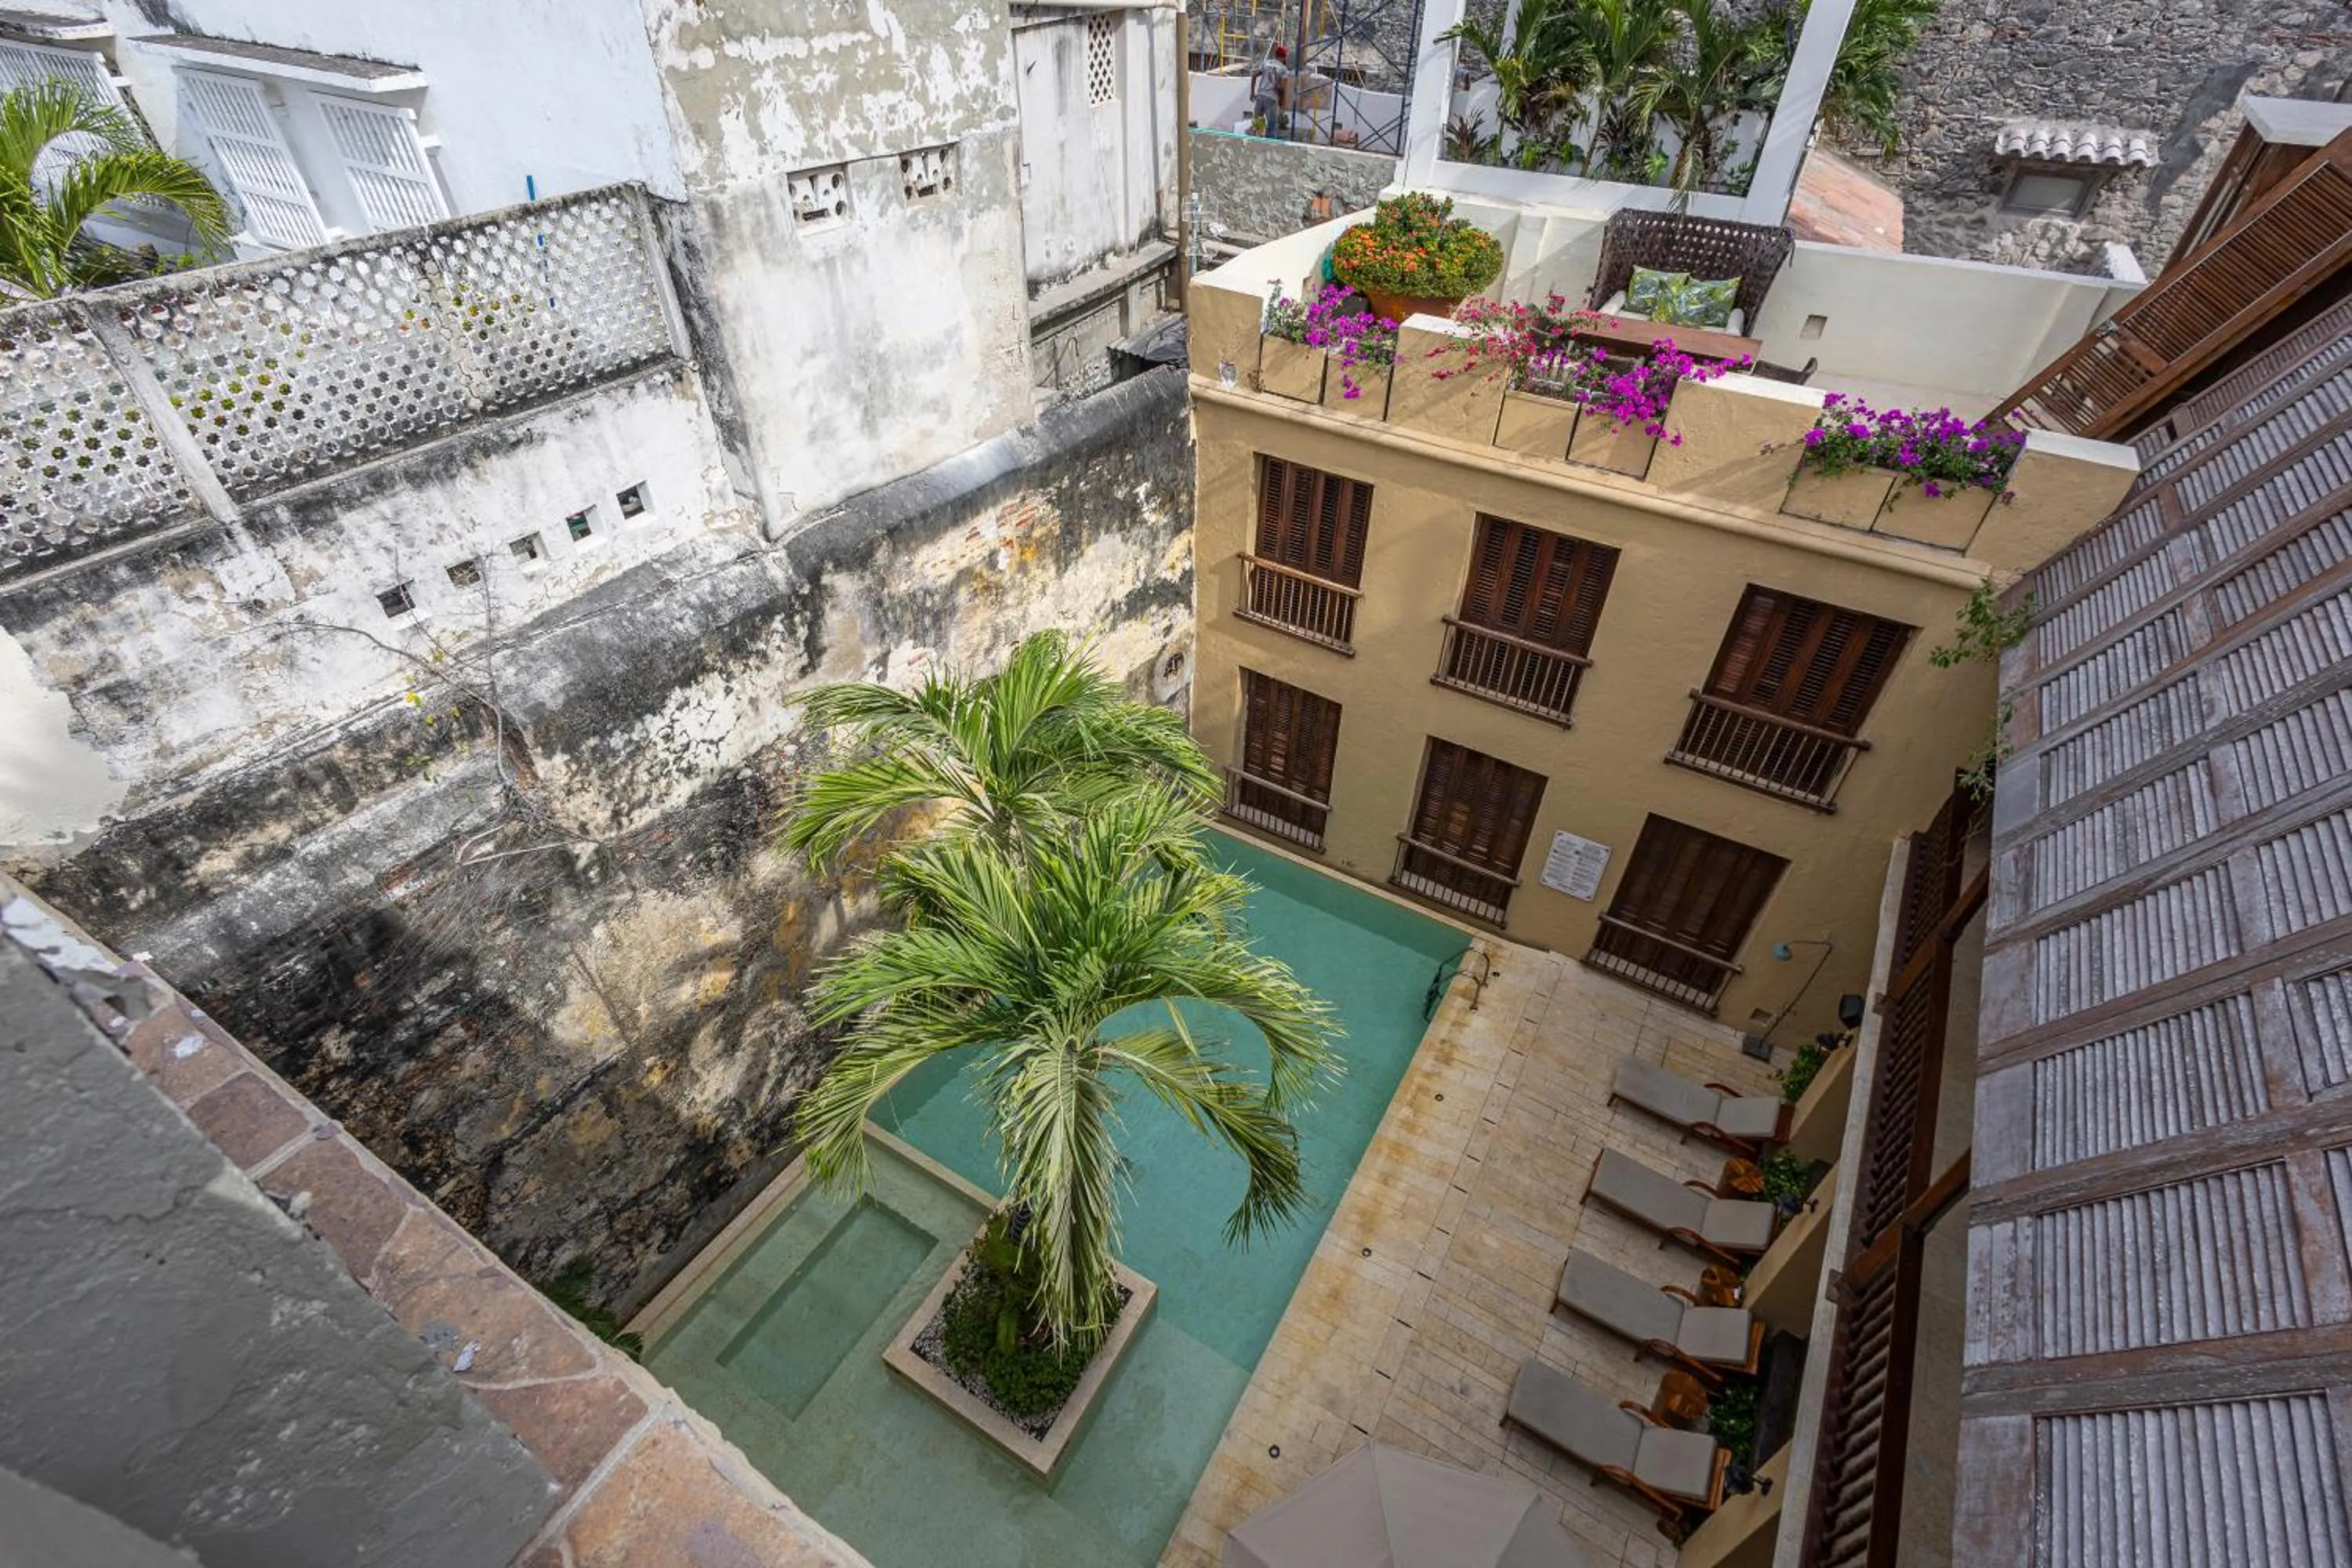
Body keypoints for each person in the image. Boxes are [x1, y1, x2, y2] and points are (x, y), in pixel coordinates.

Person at [1250, 45, 1290, 136]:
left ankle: (1256, 143)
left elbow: (1254, 75)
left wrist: (1252, 93)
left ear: (1275, 55)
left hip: (1260, 97)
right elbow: (1282, 88)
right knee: (1272, 127)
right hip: (1271, 99)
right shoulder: (1283, 69)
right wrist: (1282, 104)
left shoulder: (1266, 63)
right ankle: (1270, 144)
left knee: (1257, 126)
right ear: (1284, 57)